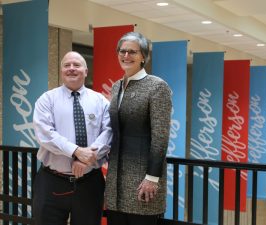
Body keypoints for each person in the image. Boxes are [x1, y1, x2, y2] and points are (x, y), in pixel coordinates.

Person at [32, 51, 112, 225]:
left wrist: (87, 158)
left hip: (89, 183)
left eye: (76, 65)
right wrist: (75, 151)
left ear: (85, 71)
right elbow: (45, 133)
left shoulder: (100, 101)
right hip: (52, 182)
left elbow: (109, 132)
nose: (71, 69)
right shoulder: (47, 100)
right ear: (61, 71)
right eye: (67, 65)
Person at [105, 32, 172, 225]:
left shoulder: (157, 86)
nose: (126, 56)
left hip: (142, 181)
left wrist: (152, 178)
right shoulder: (117, 86)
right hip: (116, 182)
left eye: (132, 52)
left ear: (143, 56)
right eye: (122, 51)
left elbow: (160, 137)